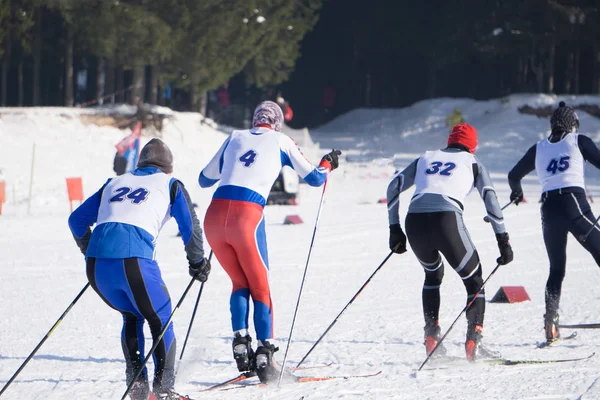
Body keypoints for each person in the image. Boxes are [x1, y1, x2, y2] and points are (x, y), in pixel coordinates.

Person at [198, 100, 341, 383]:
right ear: (277, 123)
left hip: (214, 218)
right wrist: (328, 163)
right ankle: (265, 355)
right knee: (260, 289)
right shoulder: (281, 140)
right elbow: (314, 178)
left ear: (254, 120)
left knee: (239, 283)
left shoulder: (234, 137)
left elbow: (204, 179)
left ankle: (241, 342)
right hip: (247, 217)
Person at [68, 139, 211, 400]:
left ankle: (137, 386)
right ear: (168, 168)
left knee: (132, 316)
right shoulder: (171, 184)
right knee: (161, 318)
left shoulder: (114, 181)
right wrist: (198, 263)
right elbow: (190, 228)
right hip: (134, 263)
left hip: (97, 268)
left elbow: (76, 220)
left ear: (140, 164)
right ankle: (164, 390)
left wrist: (91, 250)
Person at [386, 123, 513, 361]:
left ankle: (431, 336)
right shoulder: (473, 162)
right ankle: (473, 341)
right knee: (474, 280)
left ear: (449, 140)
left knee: (433, 275)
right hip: (447, 220)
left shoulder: (426, 157)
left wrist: (395, 229)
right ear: (472, 145)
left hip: (414, 221)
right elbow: (491, 200)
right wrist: (503, 240)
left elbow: (394, 186)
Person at [508, 101, 600, 343]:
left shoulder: (538, 148)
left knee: (556, 270)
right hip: (573, 204)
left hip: (548, 209)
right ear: (572, 125)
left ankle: (551, 323)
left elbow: (513, 175)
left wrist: (516, 192)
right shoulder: (579, 141)